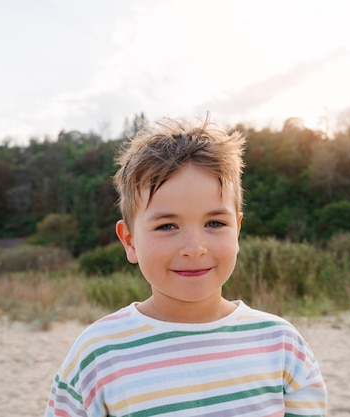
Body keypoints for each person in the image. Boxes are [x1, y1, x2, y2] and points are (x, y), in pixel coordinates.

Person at [44, 116, 327, 416]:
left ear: (238, 231)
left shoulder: (281, 346)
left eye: (215, 223)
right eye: (167, 226)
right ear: (130, 241)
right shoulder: (98, 355)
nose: (194, 248)